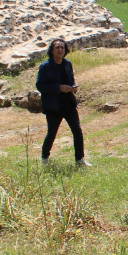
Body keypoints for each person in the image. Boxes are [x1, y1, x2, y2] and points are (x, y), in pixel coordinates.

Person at [36, 38, 88, 166]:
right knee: (52, 132)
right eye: (57, 47)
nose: (60, 50)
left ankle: (80, 160)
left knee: (77, 130)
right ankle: (44, 158)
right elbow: (40, 86)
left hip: (68, 103)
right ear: (52, 51)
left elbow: (71, 80)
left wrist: (73, 87)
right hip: (53, 105)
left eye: (62, 47)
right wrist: (58, 88)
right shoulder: (45, 67)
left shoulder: (67, 64)